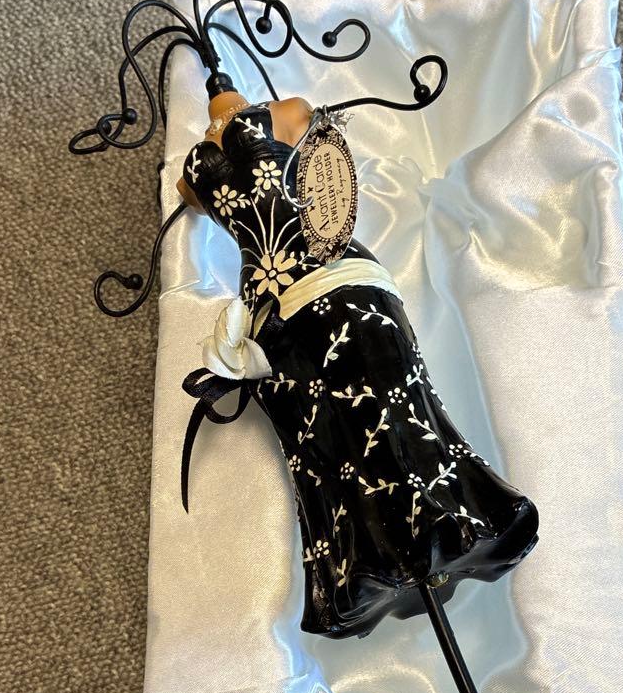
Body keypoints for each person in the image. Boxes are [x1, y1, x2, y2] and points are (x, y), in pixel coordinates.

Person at [179, 96, 539, 638]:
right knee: (322, 439)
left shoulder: (285, 112)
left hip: (339, 275)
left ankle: (451, 514)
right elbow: (190, 193)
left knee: (396, 404)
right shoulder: (196, 167)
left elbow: (304, 125)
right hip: (270, 301)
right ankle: (363, 556)